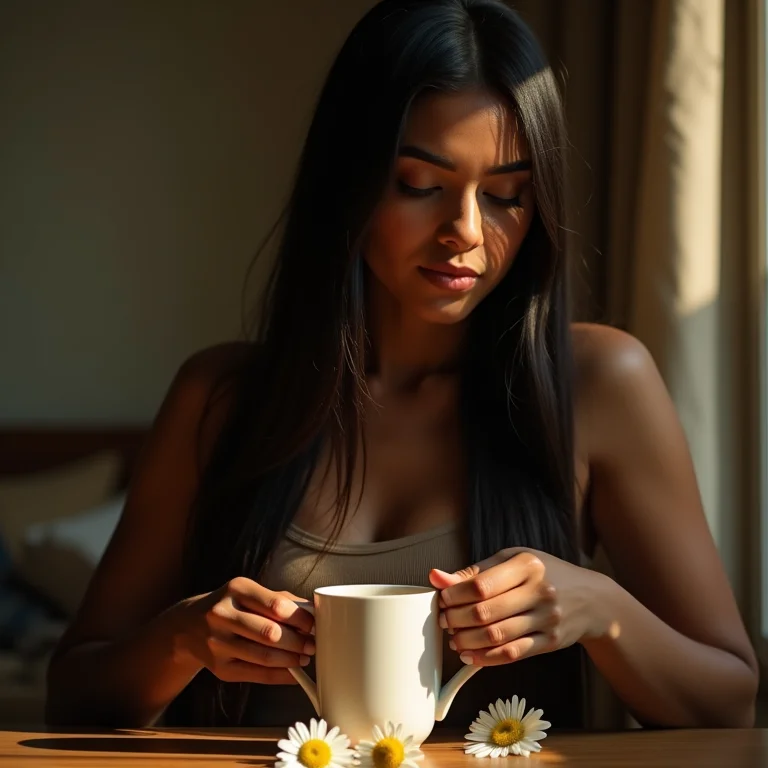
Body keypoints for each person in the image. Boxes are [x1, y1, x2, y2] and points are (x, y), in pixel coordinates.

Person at [46, 0, 757, 731]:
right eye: (421, 185)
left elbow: (729, 699)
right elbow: (72, 694)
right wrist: (184, 637)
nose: (467, 233)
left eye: (508, 195)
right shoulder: (221, 399)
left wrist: (600, 610)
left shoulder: (601, 382)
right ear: (347, 182)